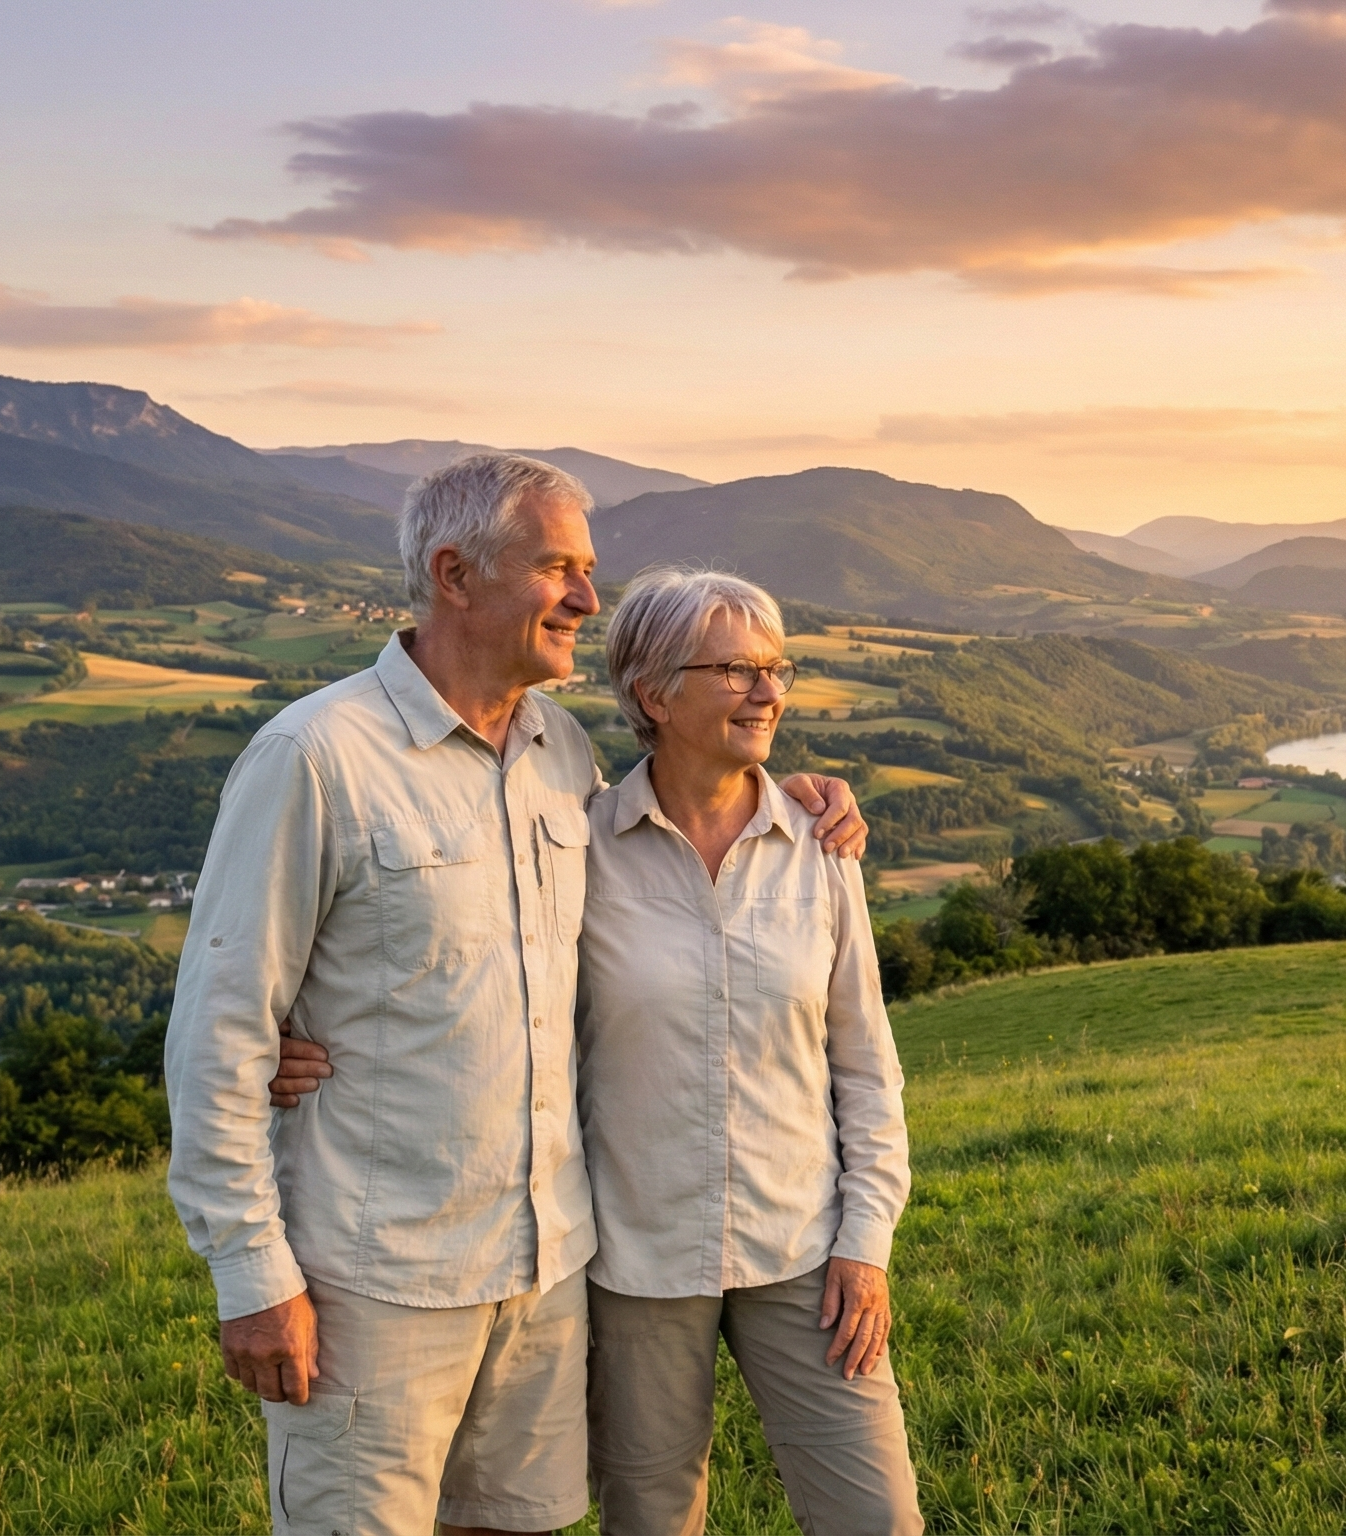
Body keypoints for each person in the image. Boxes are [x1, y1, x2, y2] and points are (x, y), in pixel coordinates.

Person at [166, 454, 866, 1536]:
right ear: (454, 573)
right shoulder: (315, 757)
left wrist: (798, 793)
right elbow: (219, 1031)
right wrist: (251, 1272)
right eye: (558, 570)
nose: (589, 599)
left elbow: (665, 871)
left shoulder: (561, 754)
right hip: (378, 1279)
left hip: (548, 1272)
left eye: (587, 571)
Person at [579, 567, 917, 1536]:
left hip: (807, 1253)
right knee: (650, 1521)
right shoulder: (581, 848)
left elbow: (865, 1064)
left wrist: (866, 1245)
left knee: (877, 1518)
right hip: (637, 1262)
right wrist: (305, 1039)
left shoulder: (820, 845)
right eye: (736, 669)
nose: (770, 692)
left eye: (777, 668)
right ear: (653, 692)